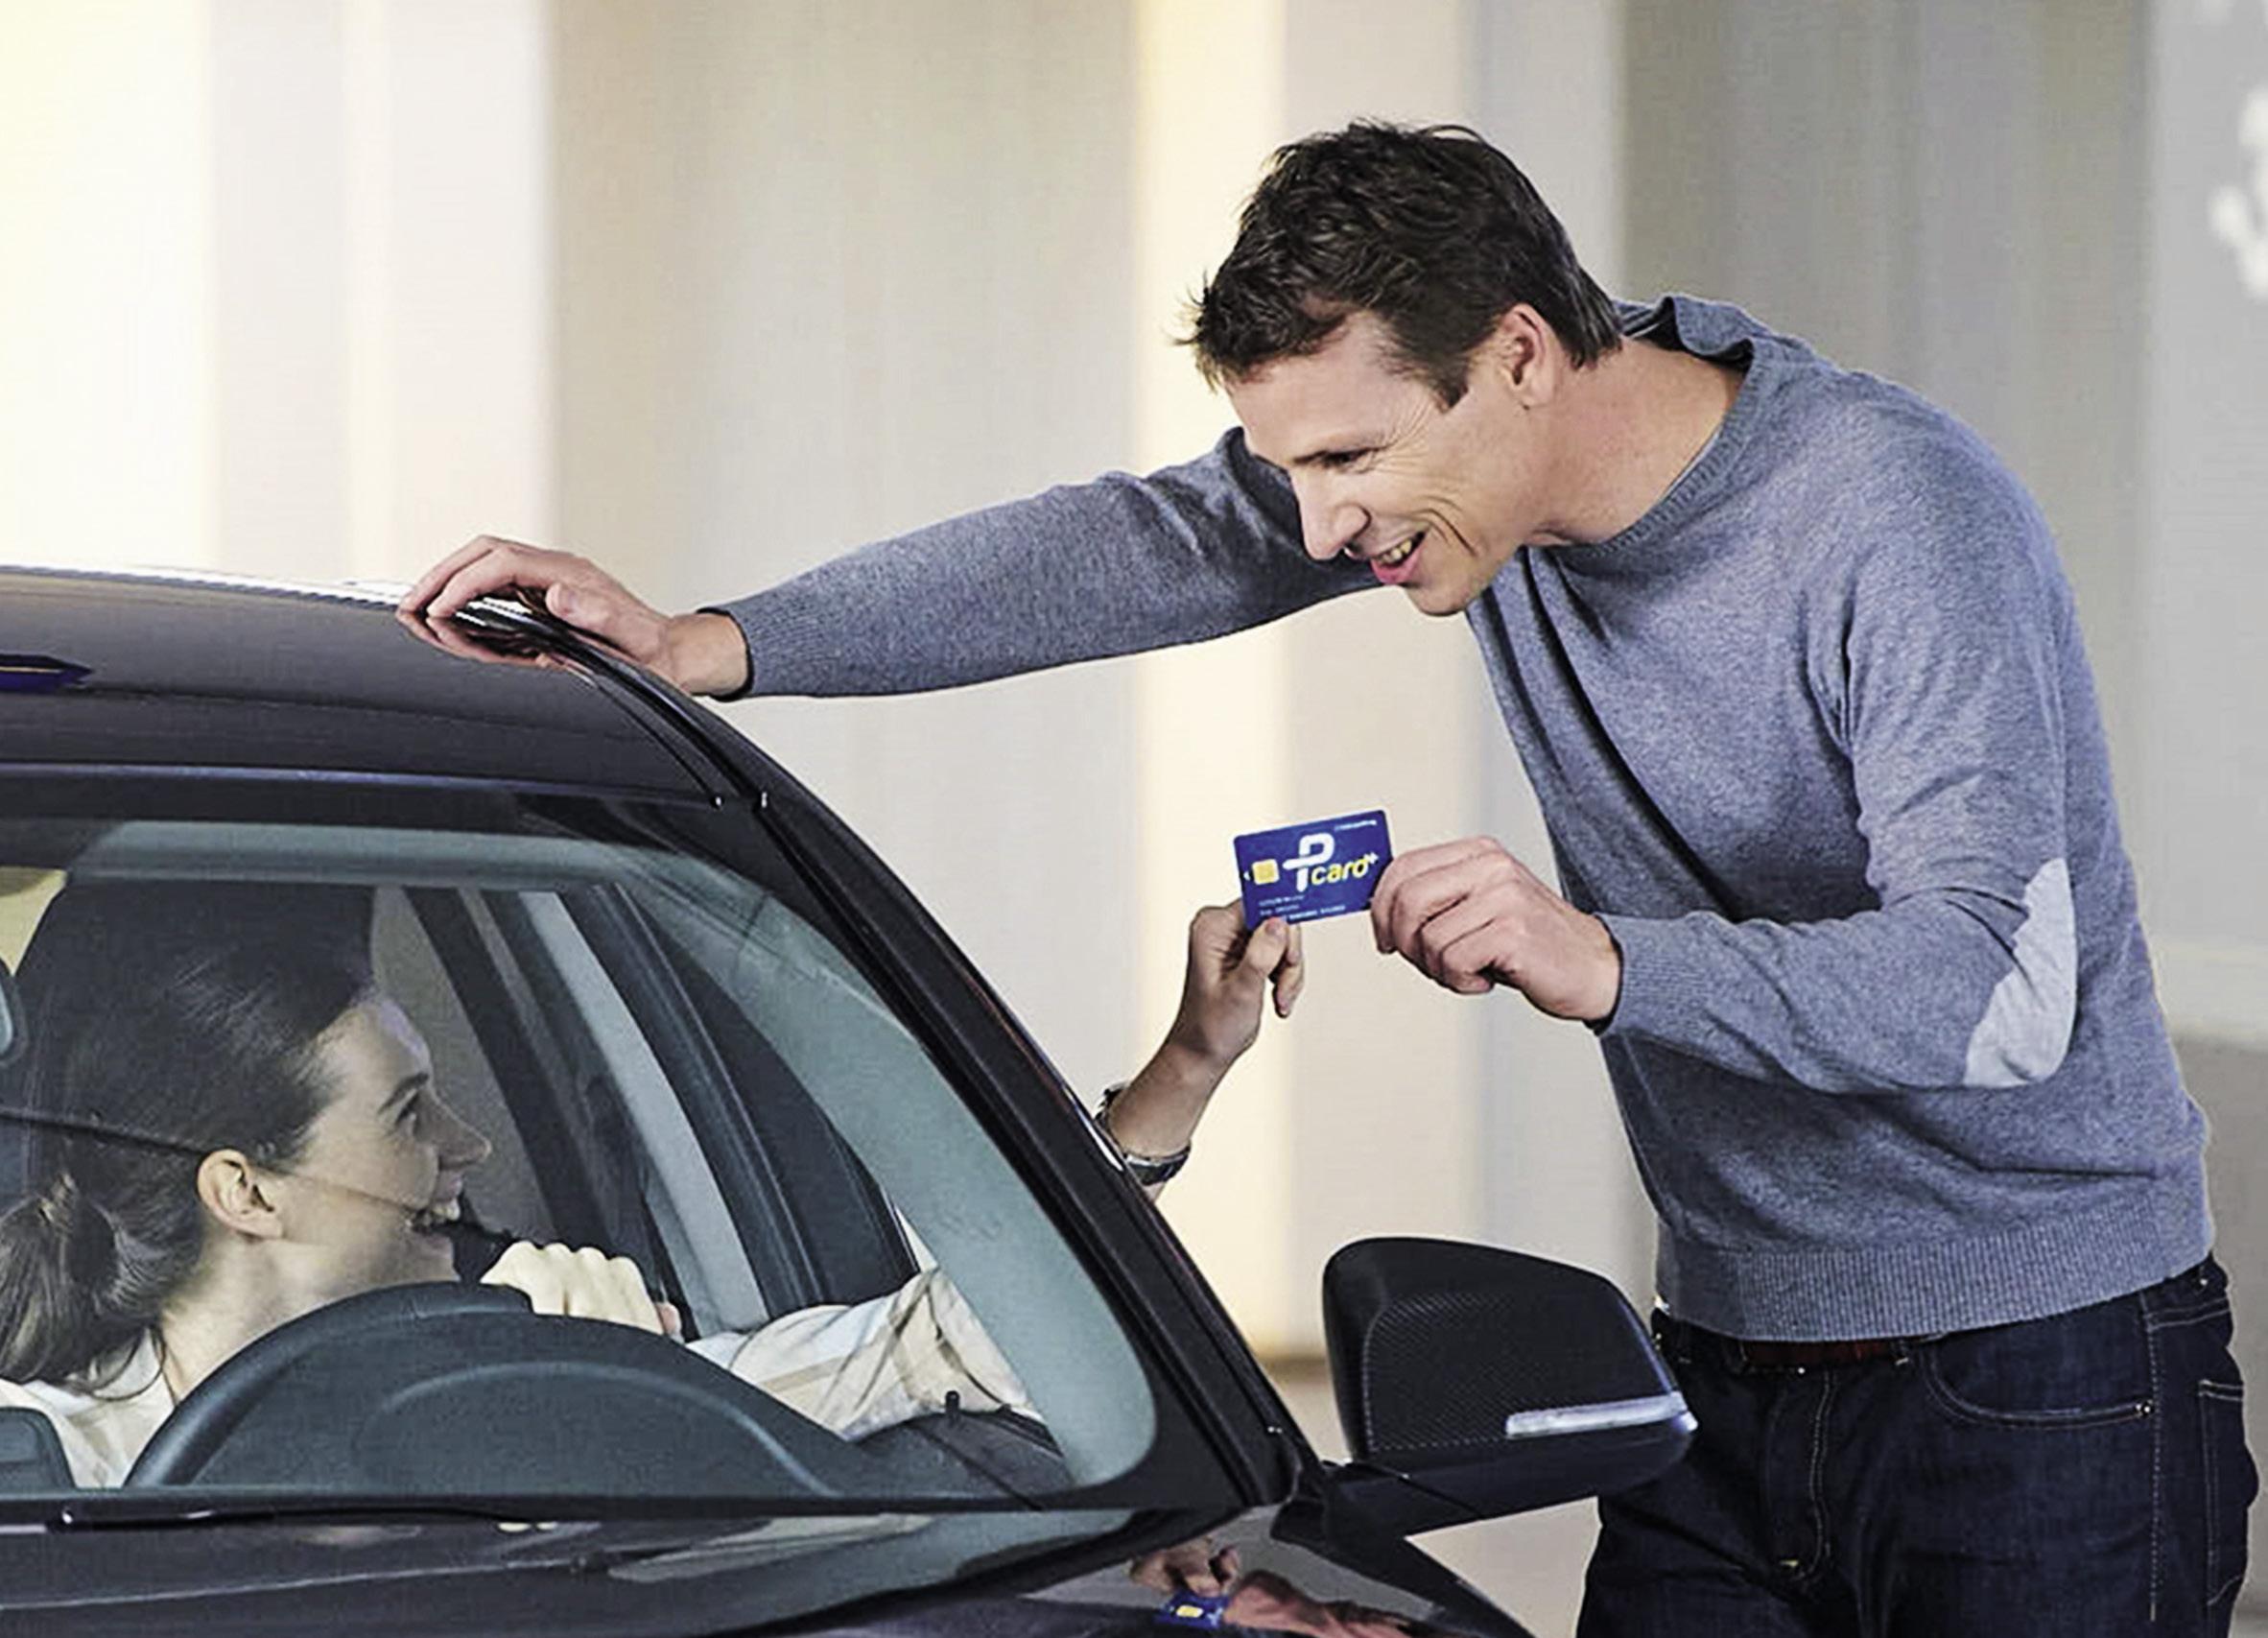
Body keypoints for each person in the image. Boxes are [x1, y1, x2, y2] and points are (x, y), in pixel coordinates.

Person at [399, 119, 2255, 1634]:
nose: (1317, 524)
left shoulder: (1893, 518)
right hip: (1727, 1363)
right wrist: (710, 644)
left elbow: (1996, 992)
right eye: (1287, 468)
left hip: (2042, 1374)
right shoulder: (1460, 486)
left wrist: (1609, 960)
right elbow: (1129, 548)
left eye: (1351, 457)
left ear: (1517, 353)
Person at [0, 882, 1295, 1486]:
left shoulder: (552, 1347)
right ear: (247, 1191)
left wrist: (604, 1401)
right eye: (406, 1112)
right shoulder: (41, 1464)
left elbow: (967, 1346)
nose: (468, 1144)